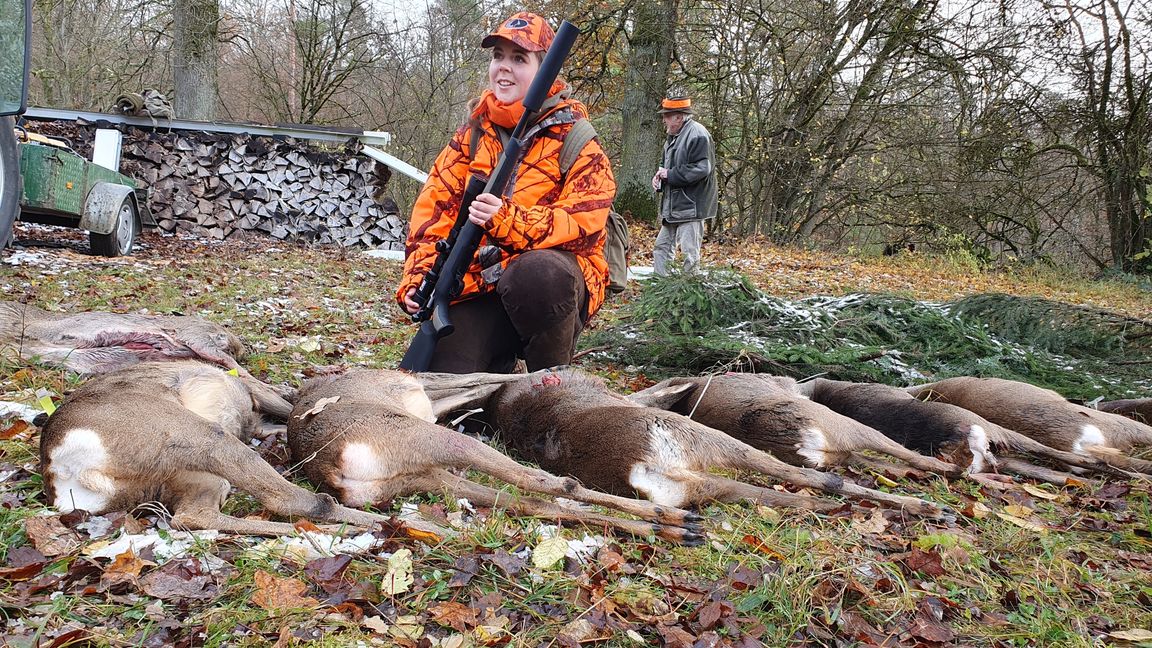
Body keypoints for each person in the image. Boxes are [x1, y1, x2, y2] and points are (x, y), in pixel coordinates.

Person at [395, 12, 616, 374]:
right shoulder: (472, 135)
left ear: (546, 70)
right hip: (481, 284)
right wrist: (420, 276)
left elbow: (582, 221)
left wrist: (505, 219)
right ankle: (499, 374)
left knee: (539, 275)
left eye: (519, 59)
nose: (504, 68)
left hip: (549, 289)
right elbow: (433, 213)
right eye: (498, 55)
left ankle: (551, 391)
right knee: (439, 389)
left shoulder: (577, 139)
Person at [651, 95, 717, 275]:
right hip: (673, 207)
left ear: (679, 117)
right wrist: (660, 179)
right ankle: (660, 290)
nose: (663, 120)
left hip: (691, 208)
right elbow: (666, 166)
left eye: (666, 116)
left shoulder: (698, 134)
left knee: (689, 255)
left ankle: (689, 293)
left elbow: (702, 168)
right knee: (661, 248)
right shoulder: (672, 136)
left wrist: (670, 174)